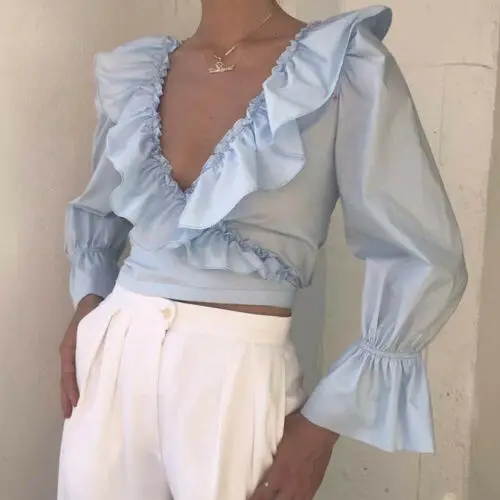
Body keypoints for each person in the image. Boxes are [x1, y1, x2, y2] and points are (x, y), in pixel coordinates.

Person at [57, 1, 468, 499]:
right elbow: (100, 207)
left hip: (238, 374)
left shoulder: (341, 64)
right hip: (113, 356)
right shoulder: (140, 74)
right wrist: (89, 301)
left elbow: (423, 255)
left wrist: (326, 421)